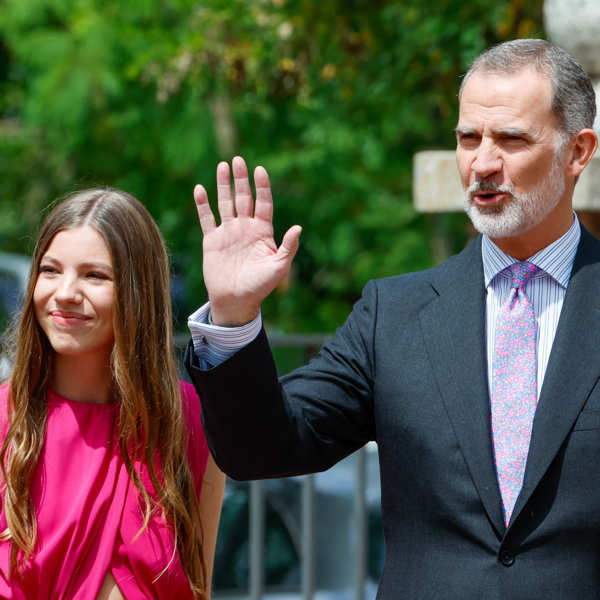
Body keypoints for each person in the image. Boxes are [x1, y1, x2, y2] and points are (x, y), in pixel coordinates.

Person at [186, 39, 600, 597]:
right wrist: (234, 315)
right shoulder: (394, 315)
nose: (482, 163)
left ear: (577, 151)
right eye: (467, 138)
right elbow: (262, 448)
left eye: (510, 139)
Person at [0, 188, 225, 599]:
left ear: (138, 292)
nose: (65, 292)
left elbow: (198, 586)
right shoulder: (5, 420)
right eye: (50, 270)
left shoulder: (189, 419)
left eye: (94, 275)